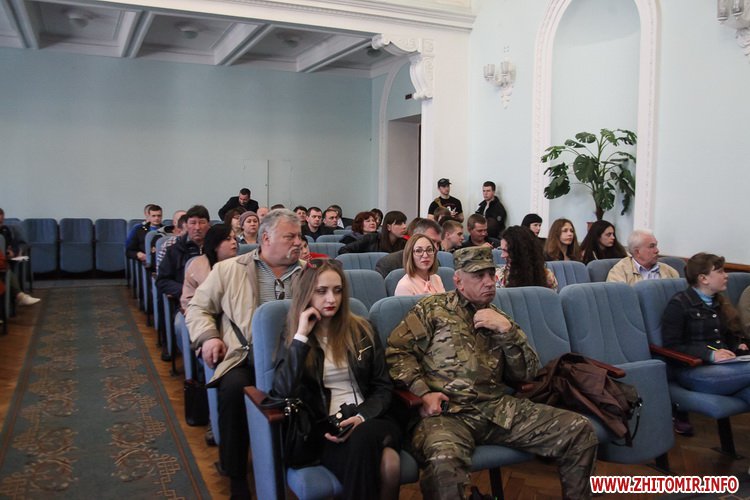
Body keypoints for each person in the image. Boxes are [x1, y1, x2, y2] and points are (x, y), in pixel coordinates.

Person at [386, 247, 597, 499]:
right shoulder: (432, 309)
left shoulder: (500, 319)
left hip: (497, 409)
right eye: (479, 276)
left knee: (578, 430)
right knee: (444, 463)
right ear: (458, 281)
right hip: (447, 414)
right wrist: (423, 393)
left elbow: (526, 374)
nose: (488, 282)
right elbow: (398, 352)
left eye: (490, 274)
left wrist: (508, 333)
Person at [185, 209, 304, 499]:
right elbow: (198, 308)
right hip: (245, 356)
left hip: (297, 358)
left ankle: (304, 462)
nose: (298, 242)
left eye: (299, 236)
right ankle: (236, 473)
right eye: (290, 237)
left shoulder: (308, 273)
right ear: (266, 238)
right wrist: (210, 337)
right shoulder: (229, 270)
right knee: (234, 390)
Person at [271, 259, 401, 500]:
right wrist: (301, 337)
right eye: (321, 291)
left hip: (373, 418)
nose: (331, 299)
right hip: (328, 431)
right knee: (389, 463)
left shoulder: (362, 329)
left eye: (337, 290)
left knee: (363, 436)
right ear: (307, 294)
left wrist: (361, 416)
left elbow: (383, 387)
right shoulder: (294, 337)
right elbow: (281, 392)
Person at [662, 253, 750, 434]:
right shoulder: (679, 304)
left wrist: (737, 347)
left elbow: (725, 337)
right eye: (720, 271)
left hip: (727, 368)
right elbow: (671, 346)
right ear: (703, 279)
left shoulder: (718, 302)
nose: (726, 275)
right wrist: (710, 354)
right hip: (694, 371)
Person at [156, 205, 209, 303]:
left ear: (208, 225)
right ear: (186, 225)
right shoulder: (174, 250)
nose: (197, 227)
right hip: (185, 300)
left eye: (202, 222)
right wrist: (187, 290)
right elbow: (162, 281)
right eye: (193, 223)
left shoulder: (216, 249)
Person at [181, 223, 238, 311]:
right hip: (202, 312)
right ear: (215, 245)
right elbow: (188, 299)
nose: (234, 242)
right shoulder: (197, 266)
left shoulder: (240, 263)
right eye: (228, 239)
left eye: (234, 238)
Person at [607, 229, 679, 284]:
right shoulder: (619, 272)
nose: (657, 250)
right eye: (651, 246)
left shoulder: (669, 271)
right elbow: (618, 297)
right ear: (637, 252)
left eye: (656, 245)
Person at [375, 218, 442, 278]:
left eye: (438, 243)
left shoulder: (435, 262)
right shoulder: (388, 264)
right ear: (414, 238)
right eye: (431, 241)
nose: (436, 248)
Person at [496, 226, 557, 290]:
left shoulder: (547, 277)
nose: (502, 255)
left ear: (520, 252)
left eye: (506, 251)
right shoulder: (500, 276)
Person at [338, 211, 407, 255]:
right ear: (388, 227)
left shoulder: (404, 243)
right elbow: (343, 250)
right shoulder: (370, 238)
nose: (404, 226)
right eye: (399, 224)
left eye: (373, 221)